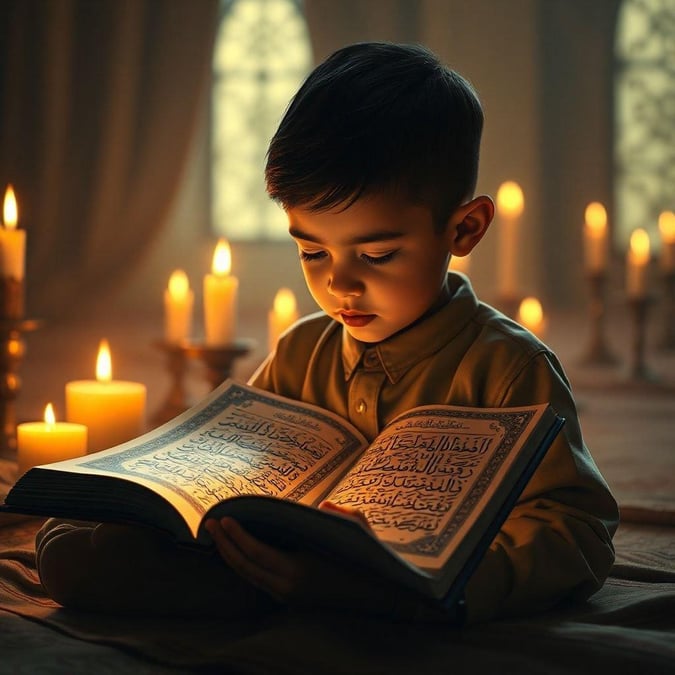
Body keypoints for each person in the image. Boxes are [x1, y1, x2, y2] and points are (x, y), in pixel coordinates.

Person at [36, 41, 618, 626]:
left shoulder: (510, 367)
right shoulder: (300, 351)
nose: (340, 282)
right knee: (86, 549)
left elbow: (576, 532)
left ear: (464, 229)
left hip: (402, 592)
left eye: (379, 254)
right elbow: (237, 464)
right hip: (269, 562)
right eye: (311, 250)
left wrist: (434, 586)